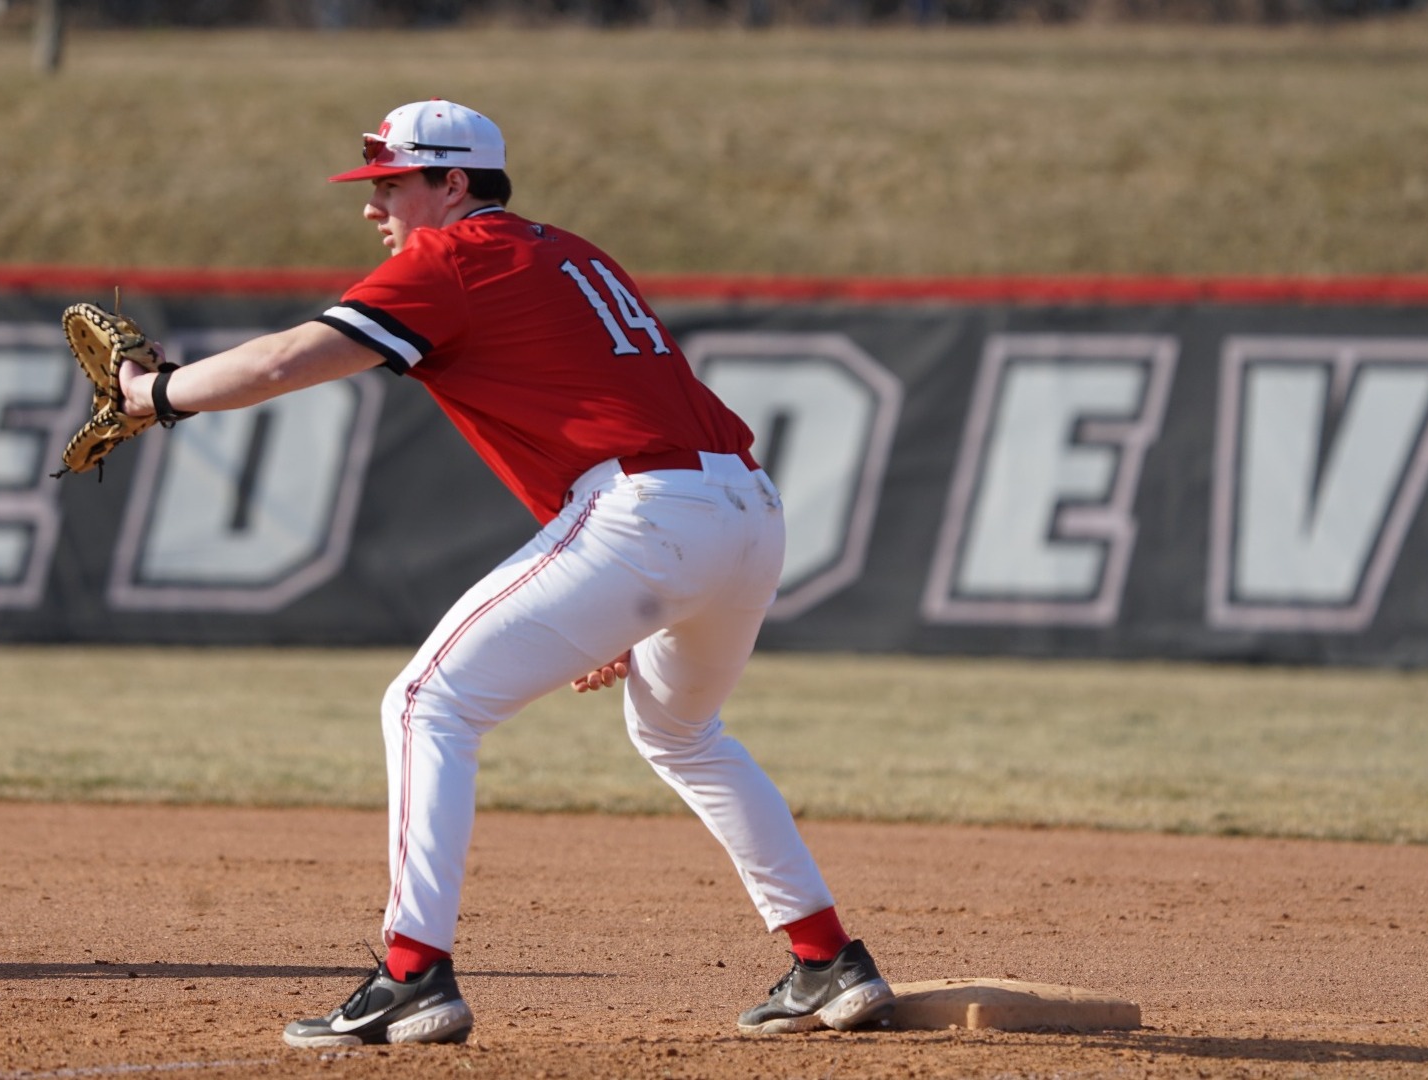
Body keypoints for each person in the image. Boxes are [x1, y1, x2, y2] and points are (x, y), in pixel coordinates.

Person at [115, 99, 894, 1048]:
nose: (374, 208)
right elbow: (597, 399)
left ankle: (411, 975)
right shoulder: (571, 251)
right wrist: (624, 605)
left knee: (425, 705)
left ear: (454, 182)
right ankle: (827, 962)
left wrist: (158, 394)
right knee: (681, 733)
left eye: (391, 184)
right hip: (745, 509)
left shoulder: (448, 259)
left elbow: (288, 361)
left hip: (648, 513)